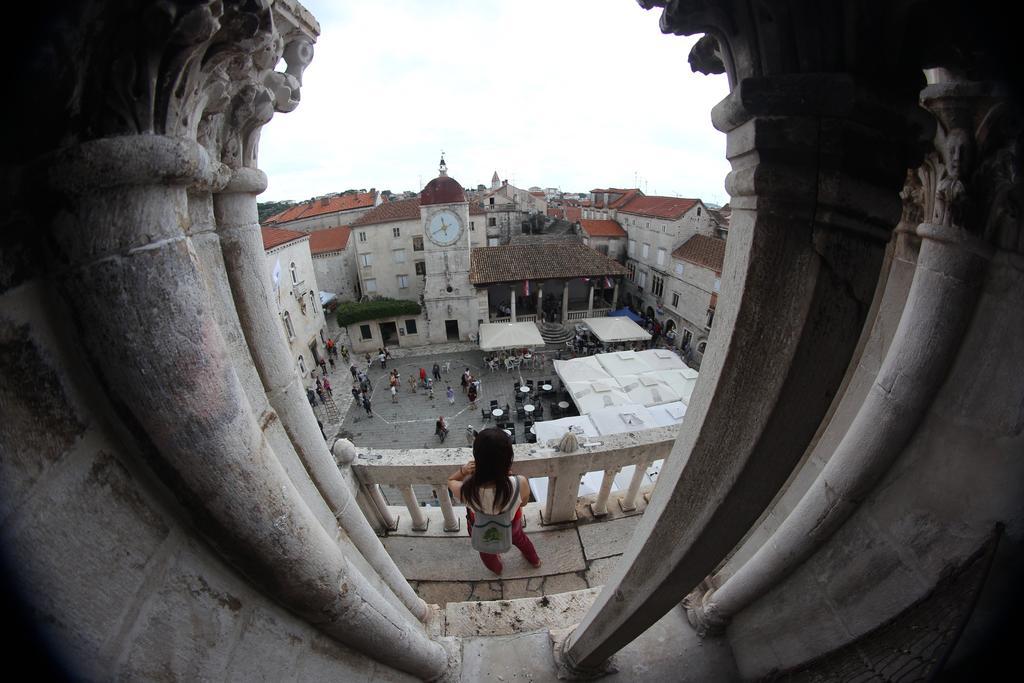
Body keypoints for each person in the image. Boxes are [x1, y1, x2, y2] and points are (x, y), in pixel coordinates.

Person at [447, 428, 541, 575]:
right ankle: (535, 561)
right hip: (511, 523)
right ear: (508, 459)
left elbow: (450, 481)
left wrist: (463, 471)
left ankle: (498, 570)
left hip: (480, 526)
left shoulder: (467, 490)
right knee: (521, 540)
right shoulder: (519, 482)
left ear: (477, 459)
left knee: (486, 553)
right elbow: (523, 504)